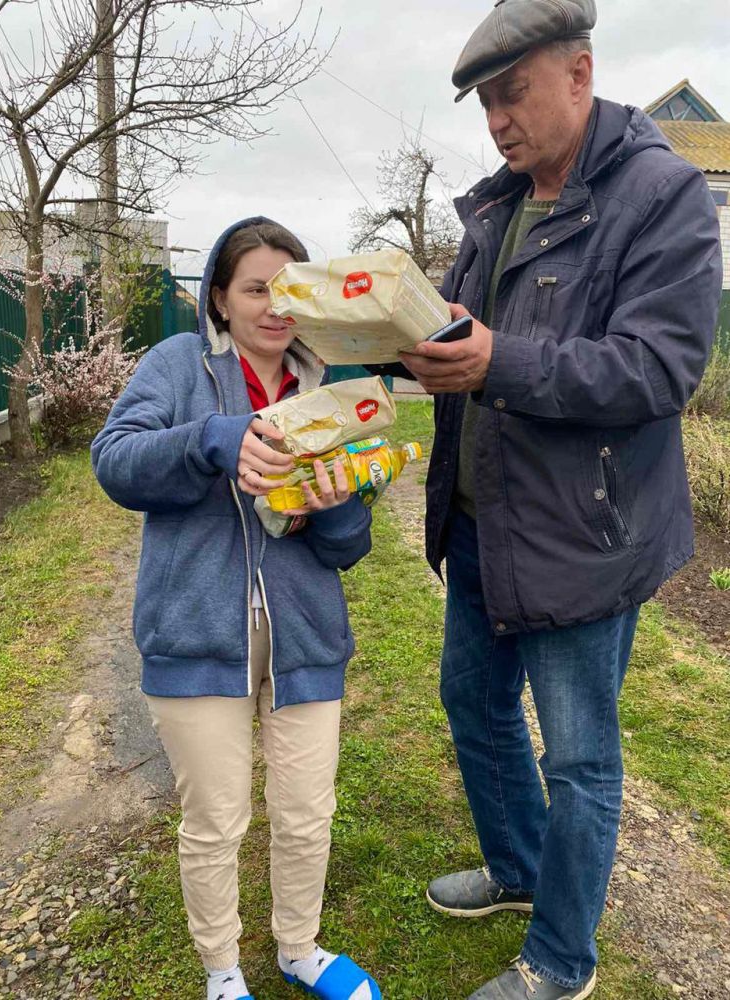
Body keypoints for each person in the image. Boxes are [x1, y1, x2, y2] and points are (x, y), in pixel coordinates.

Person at [388, 1, 722, 998]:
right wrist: (424, 330)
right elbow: (481, 331)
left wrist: (498, 361)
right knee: (473, 700)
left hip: (587, 529)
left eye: (512, 92)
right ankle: (520, 869)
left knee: (579, 755)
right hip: (487, 514)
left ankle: (561, 959)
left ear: (578, 73)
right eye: (485, 101)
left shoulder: (662, 193)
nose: (496, 118)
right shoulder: (495, 204)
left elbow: (661, 369)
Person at [91, 218, 381, 1000]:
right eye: (255, 288)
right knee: (217, 821)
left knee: (306, 812)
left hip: (306, 639)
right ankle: (223, 971)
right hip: (196, 632)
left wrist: (336, 508)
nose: (273, 306)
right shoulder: (179, 364)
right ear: (219, 296)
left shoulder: (328, 387)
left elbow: (348, 547)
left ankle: (300, 949)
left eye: (289, 289)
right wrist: (214, 440)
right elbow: (114, 462)